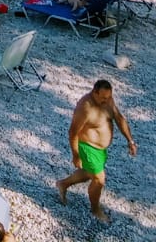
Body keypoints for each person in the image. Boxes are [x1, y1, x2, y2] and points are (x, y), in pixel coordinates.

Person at [56, 78, 137, 224]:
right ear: (94, 92)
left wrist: (130, 141)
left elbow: (119, 118)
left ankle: (62, 184)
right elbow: (73, 133)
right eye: (103, 97)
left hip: (100, 149)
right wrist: (76, 155)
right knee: (99, 179)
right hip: (87, 146)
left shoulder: (108, 101)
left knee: (88, 173)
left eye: (109, 97)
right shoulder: (85, 107)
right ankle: (95, 210)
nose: (106, 100)